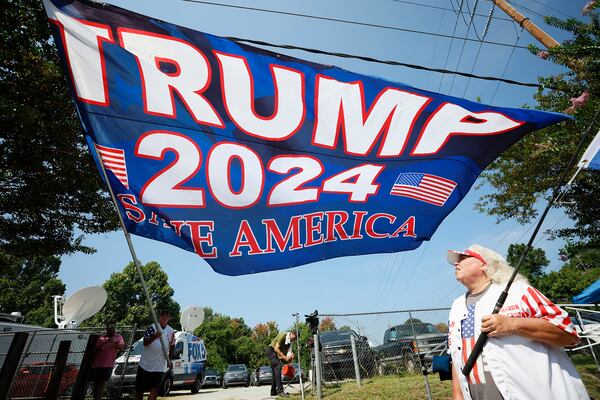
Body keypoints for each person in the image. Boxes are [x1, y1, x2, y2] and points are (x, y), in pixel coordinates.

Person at [446, 244, 589, 400]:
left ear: (484, 264)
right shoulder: (456, 306)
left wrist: (513, 325)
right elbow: (456, 355)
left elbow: (568, 334)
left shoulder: (519, 292)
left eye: (464, 258)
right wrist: (457, 395)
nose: (456, 263)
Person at [135, 311, 175, 400]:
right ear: (160, 317)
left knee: (155, 389)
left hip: (158, 366)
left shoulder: (171, 331)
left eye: (167, 317)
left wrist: (169, 359)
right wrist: (155, 336)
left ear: (169, 318)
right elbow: (145, 342)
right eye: (163, 316)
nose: (164, 318)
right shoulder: (152, 327)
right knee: (139, 390)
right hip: (145, 364)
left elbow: (172, 345)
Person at [90, 321, 124, 400]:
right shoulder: (101, 338)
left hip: (108, 365)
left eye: (113, 327)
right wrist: (104, 343)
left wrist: (115, 343)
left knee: (102, 383)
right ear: (107, 328)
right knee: (96, 384)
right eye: (110, 327)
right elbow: (95, 350)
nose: (112, 329)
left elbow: (121, 348)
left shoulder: (118, 337)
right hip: (97, 365)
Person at [265, 330, 297, 397]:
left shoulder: (289, 344)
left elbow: (288, 361)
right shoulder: (283, 335)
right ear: (291, 334)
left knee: (275, 372)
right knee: (278, 366)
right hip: (271, 350)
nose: (294, 340)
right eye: (294, 337)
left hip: (276, 354)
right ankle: (280, 391)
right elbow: (276, 348)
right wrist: (285, 357)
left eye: (295, 339)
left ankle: (273, 392)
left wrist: (291, 357)